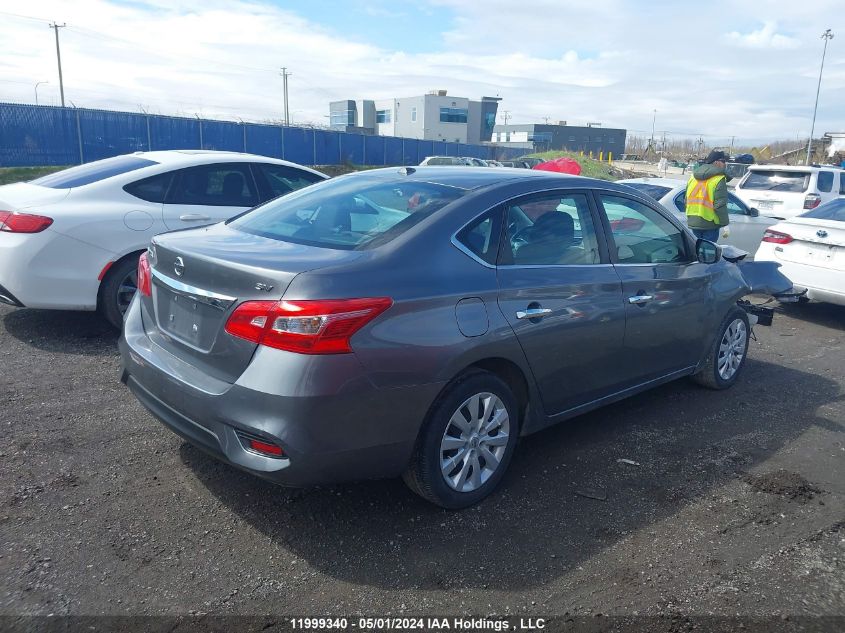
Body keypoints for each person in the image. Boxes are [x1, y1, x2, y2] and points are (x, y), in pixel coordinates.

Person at [686, 149, 730, 242]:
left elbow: (686, 199)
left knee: (696, 251)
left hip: (693, 221)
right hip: (710, 223)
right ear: (716, 162)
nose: (724, 164)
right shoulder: (719, 179)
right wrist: (725, 224)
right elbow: (720, 205)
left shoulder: (693, 177)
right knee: (709, 253)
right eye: (723, 161)